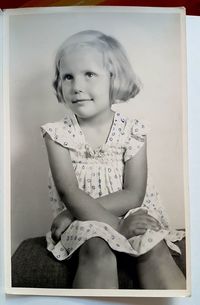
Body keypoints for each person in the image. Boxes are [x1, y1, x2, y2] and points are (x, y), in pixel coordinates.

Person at [41, 30, 186, 289]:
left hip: (128, 212)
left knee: (154, 248)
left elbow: (134, 194)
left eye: (89, 74)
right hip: (84, 219)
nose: (77, 86)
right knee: (95, 246)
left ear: (114, 78)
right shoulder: (57, 135)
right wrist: (115, 227)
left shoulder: (133, 130)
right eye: (68, 77)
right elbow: (70, 192)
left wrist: (73, 216)